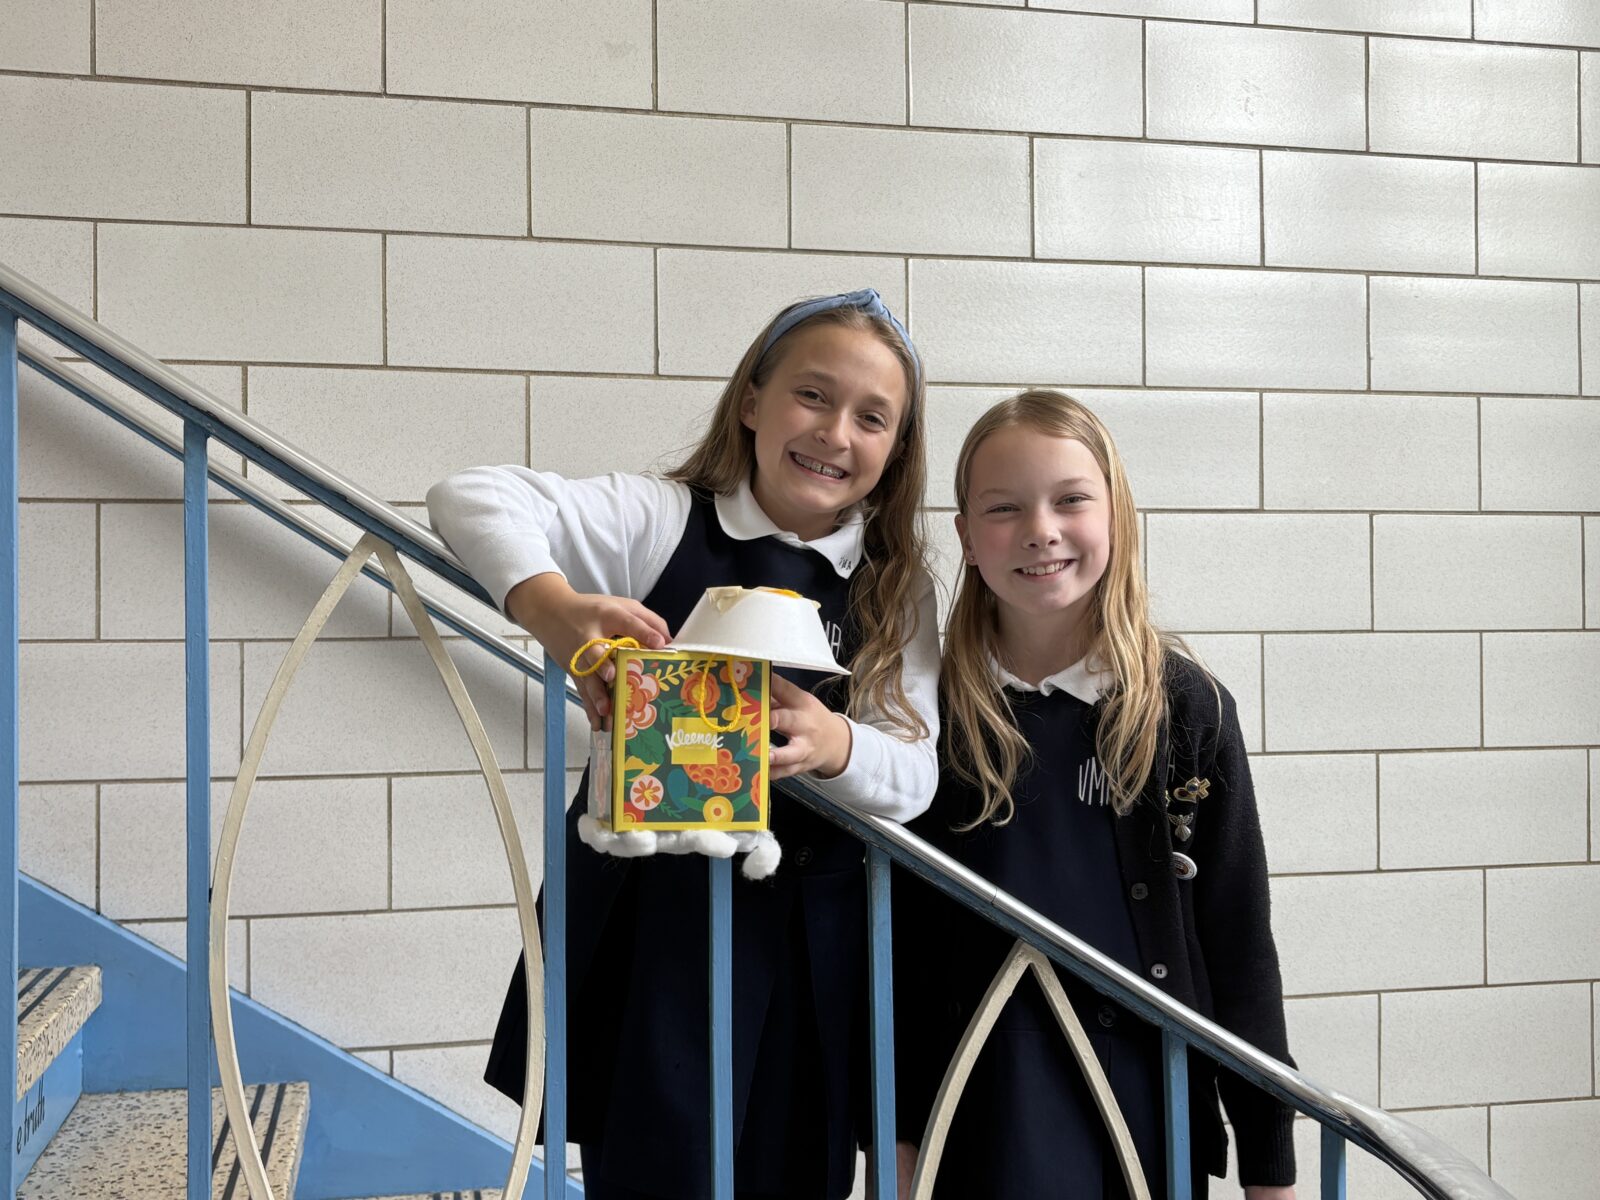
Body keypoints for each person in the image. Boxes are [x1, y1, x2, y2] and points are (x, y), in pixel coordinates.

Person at [426, 290, 939, 1200]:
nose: (835, 433)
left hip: (811, 949)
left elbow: (916, 774)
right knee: (655, 1166)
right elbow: (468, 496)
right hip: (653, 932)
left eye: (872, 418)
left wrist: (835, 743)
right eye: (812, 395)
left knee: (799, 1171)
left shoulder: (897, 590)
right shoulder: (661, 519)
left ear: (896, 450)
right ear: (752, 401)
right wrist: (554, 608)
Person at [892, 390, 1296, 1200]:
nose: (1040, 529)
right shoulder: (918, 712)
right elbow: (897, 947)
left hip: (1145, 1115)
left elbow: (1238, 942)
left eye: (1070, 500)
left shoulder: (1188, 708)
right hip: (975, 1117)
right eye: (1004, 508)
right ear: (965, 536)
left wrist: (1270, 1166)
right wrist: (896, 1137)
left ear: (1117, 515)